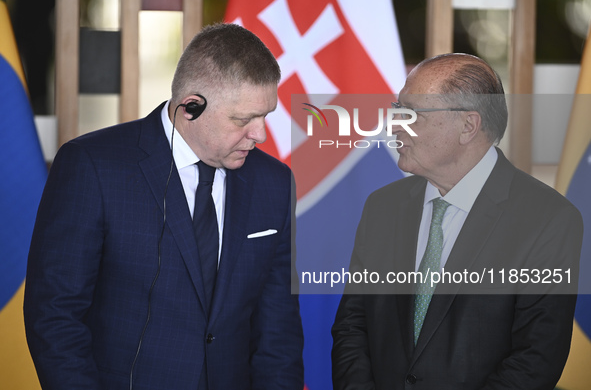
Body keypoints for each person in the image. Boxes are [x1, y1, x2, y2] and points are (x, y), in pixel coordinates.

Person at [24, 23, 303, 390]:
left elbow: (278, 329)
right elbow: (54, 315)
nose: (260, 134)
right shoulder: (92, 166)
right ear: (191, 107)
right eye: (243, 119)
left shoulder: (275, 182)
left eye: (265, 115)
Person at [331, 53, 583, 389]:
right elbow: (352, 326)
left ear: (468, 126)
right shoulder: (383, 207)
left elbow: (535, 360)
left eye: (411, 113)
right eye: (396, 110)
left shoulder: (548, 220)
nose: (394, 125)